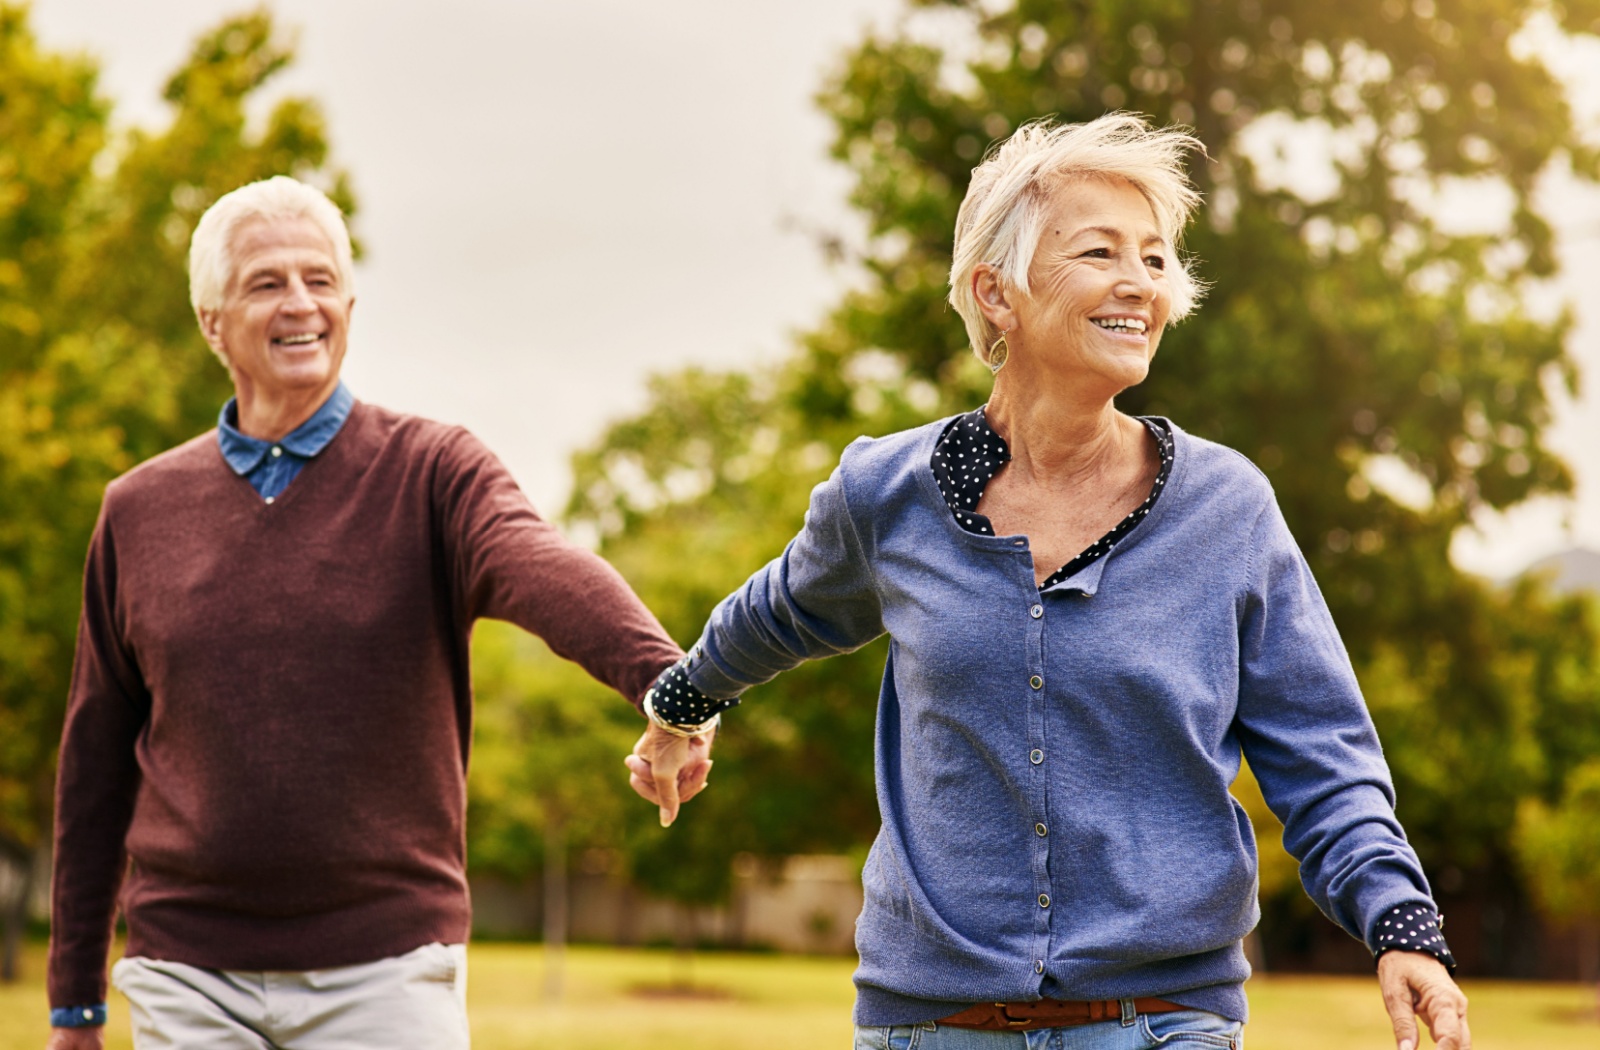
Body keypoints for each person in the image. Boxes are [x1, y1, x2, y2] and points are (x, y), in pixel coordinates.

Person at [627, 114, 1470, 1050]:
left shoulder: (1226, 509)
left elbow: (1323, 752)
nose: (1139, 284)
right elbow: (778, 613)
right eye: (1100, 251)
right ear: (998, 292)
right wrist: (681, 708)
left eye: (1155, 260)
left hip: (1160, 1023)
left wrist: (1402, 926)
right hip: (931, 1027)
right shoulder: (887, 498)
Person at [45, 176, 711, 1049]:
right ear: (212, 320)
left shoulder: (435, 473)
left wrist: (673, 689)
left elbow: (542, 567)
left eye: (320, 280)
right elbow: (95, 763)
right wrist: (73, 1005)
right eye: (266, 282)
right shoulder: (137, 511)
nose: (301, 304)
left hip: (389, 972)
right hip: (188, 975)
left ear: (350, 303)